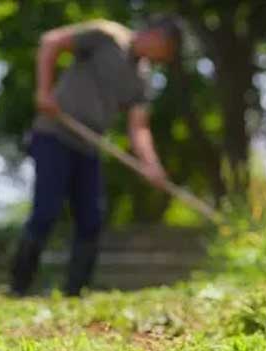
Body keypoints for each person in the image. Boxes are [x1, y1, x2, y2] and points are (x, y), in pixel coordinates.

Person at [10, 16, 181, 297]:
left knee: (91, 218)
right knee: (46, 210)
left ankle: (74, 293)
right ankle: (18, 287)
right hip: (55, 133)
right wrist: (44, 92)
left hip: (89, 144)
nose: (163, 58)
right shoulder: (106, 35)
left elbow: (138, 127)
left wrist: (152, 166)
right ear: (157, 37)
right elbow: (50, 42)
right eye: (166, 51)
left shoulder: (142, 78)